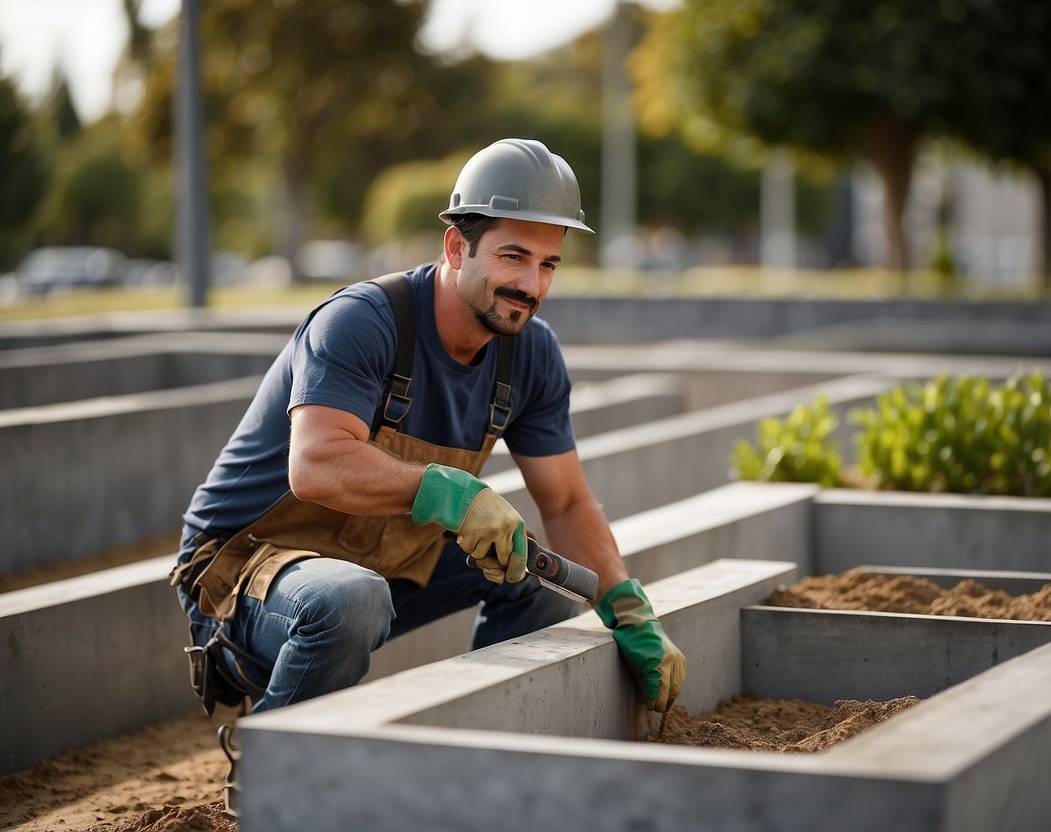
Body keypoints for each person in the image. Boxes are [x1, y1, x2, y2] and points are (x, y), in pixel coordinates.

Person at [169, 138, 686, 811]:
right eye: (512, 256)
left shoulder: (528, 354)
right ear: (454, 248)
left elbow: (565, 500)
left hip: (378, 557)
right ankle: (273, 779)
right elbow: (317, 464)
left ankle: (469, 760)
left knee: (538, 575)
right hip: (242, 572)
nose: (531, 284)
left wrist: (626, 607)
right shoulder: (362, 322)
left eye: (548, 264)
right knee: (347, 601)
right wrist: (446, 489)